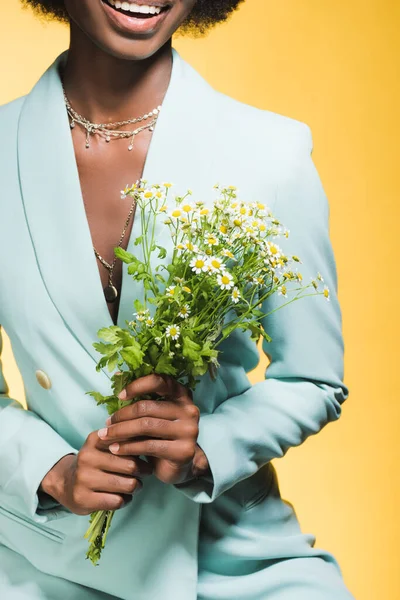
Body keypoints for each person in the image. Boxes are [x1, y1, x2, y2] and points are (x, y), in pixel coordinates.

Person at [0, 1, 355, 598]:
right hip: (46, 553)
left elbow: (315, 381)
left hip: (233, 558)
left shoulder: (271, 154)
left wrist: (205, 450)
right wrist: (50, 472)